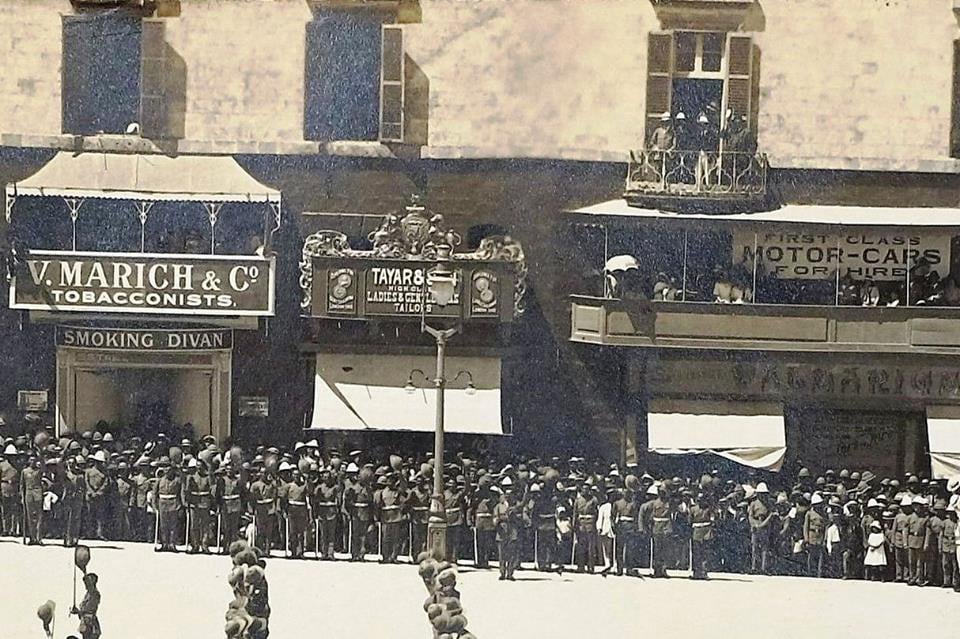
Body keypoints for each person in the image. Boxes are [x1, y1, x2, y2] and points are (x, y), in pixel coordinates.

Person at [493, 477, 523, 581]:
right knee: (502, 554)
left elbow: (520, 517)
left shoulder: (516, 506)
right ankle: (502, 572)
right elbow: (495, 518)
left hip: (512, 530)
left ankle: (510, 573)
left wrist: (514, 515)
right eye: (506, 495)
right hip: (502, 530)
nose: (507, 496)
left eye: (509, 495)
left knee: (512, 553)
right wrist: (499, 521)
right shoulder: (498, 506)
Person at [374, 473, 404, 564]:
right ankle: (385, 557)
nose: (390, 482)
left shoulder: (398, 492)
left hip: (396, 517)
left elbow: (403, 501)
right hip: (385, 517)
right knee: (385, 538)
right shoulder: (382, 492)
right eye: (389, 480)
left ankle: (394, 557)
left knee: (396, 538)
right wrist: (376, 518)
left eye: (392, 480)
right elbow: (377, 505)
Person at [154, 458, 183, 552]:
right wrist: (155, 506)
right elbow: (155, 494)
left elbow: (180, 493)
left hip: (173, 503)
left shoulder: (177, 480)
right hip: (162, 503)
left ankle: (172, 544)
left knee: (173, 525)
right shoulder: (159, 480)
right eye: (165, 468)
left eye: (168, 467)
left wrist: (181, 505)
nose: (167, 470)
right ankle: (164, 543)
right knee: (163, 525)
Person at [748, 482, 775, 575]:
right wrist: (754, 524)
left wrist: (764, 524)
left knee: (764, 548)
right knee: (754, 547)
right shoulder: (753, 503)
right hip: (755, 525)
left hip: (765, 525)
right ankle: (754, 567)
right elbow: (750, 515)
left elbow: (771, 514)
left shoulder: (768, 503)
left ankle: (764, 568)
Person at [284, 469, 311, 559]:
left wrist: (307, 480)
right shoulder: (289, 486)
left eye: (297, 475)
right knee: (292, 532)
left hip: (301, 510)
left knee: (301, 532)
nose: (296, 477)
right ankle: (293, 552)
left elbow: (309, 494)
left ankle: (300, 552)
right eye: (294, 475)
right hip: (292, 509)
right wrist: (285, 510)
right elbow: (284, 499)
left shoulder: (304, 486)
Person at [313, 469, 340, 560]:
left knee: (331, 534)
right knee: (323, 534)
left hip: (331, 512)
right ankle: (324, 553)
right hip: (322, 512)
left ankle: (330, 553)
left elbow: (339, 495)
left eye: (328, 477)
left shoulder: (335, 487)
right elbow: (315, 499)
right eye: (324, 477)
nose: (326, 479)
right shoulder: (319, 487)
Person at [573, 482, 599, 574]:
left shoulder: (594, 500)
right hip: (581, 524)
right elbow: (575, 514)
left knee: (591, 547)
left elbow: (596, 513)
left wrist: (594, 523)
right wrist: (574, 525)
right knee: (581, 547)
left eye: (587, 489)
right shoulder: (578, 500)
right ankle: (580, 566)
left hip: (590, 524)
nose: (585, 491)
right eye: (583, 489)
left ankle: (591, 567)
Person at [689, 492, 716, 580]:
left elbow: (712, 519)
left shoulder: (708, 509)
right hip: (697, 531)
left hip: (706, 530)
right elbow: (690, 521)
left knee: (705, 553)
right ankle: (696, 572)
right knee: (696, 553)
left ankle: (704, 572)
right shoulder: (693, 509)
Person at [84, 452, 109, 541]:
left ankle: (99, 533)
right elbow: (86, 482)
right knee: (89, 515)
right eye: (97, 461)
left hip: (100, 497)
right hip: (90, 496)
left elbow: (106, 484)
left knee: (100, 516)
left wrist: (98, 492)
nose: (99, 463)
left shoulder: (105, 473)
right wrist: (91, 492)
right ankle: (89, 533)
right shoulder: (88, 471)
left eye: (100, 462)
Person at [61, 456, 85, 547]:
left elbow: (82, 487)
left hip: (77, 498)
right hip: (68, 498)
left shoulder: (80, 474)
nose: (71, 465)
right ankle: (67, 539)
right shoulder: (65, 474)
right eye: (69, 463)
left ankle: (75, 539)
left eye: (73, 463)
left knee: (76, 519)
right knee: (67, 519)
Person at [20, 455, 44, 545]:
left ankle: (39, 538)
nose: (33, 462)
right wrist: (22, 497)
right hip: (28, 494)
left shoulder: (39, 470)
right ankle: (32, 537)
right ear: (28, 461)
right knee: (30, 517)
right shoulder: (25, 471)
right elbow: (22, 485)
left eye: (34, 460)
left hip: (38, 494)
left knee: (39, 517)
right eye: (31, 460)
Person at [803, 493, 827, 578]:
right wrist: (806, 539)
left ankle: (819, 574)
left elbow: (825, 526)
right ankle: (810, 573)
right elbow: (806, 527)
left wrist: (825, 538)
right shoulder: (809, 513)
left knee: (820, 556)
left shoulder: (823, 514)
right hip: (811, 535)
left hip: (820, 535)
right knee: (811, 555)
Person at [72, 572, 101, 639]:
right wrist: (78, 611)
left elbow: (88, 610)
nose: (85, 584)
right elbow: (83, 612)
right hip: (85, 622)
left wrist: (84, 571)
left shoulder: (94, 593)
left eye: (87, 582)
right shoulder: (87, 595)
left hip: (90, 623)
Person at [597, 487, 617, 576]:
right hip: (605, 528)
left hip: (614, 529)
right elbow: (600, 518)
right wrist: (599, 527)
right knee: (606, 548)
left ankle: (615, 564)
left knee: (615, 548)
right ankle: (607, 563)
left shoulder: (616, 505)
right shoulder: (604, 507)